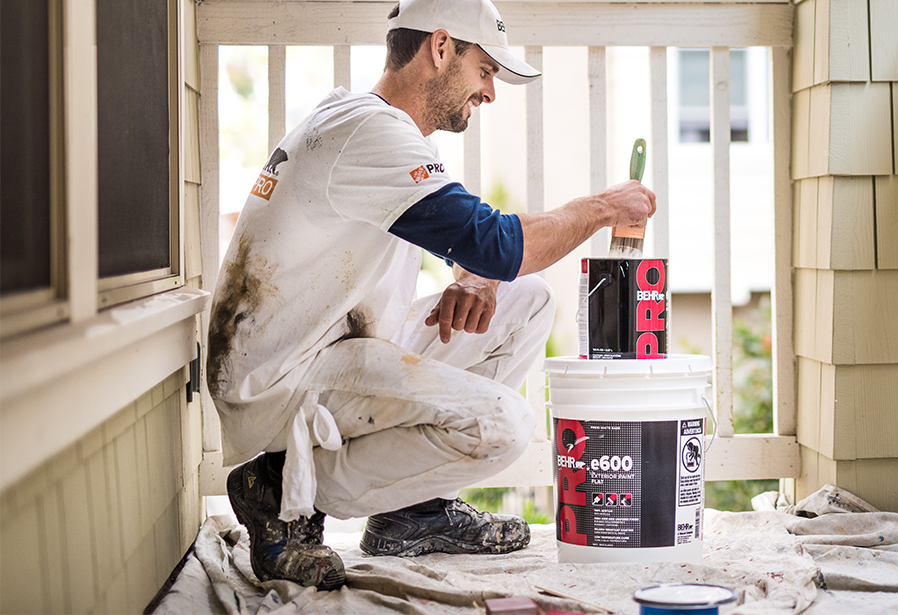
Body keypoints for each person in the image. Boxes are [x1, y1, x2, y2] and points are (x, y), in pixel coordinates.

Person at [206, 0, 656, 592]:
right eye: (485, 71)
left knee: (527, 299)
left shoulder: (367, 123)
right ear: (440, 49)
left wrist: (479, 275)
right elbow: (496, 241)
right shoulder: (369, 133)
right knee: (504, 426)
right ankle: (277, 485)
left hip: (329, 347)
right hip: (283, 377)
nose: (490, 92)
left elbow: (484, 252)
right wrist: (599, 209)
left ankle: (411, 513)